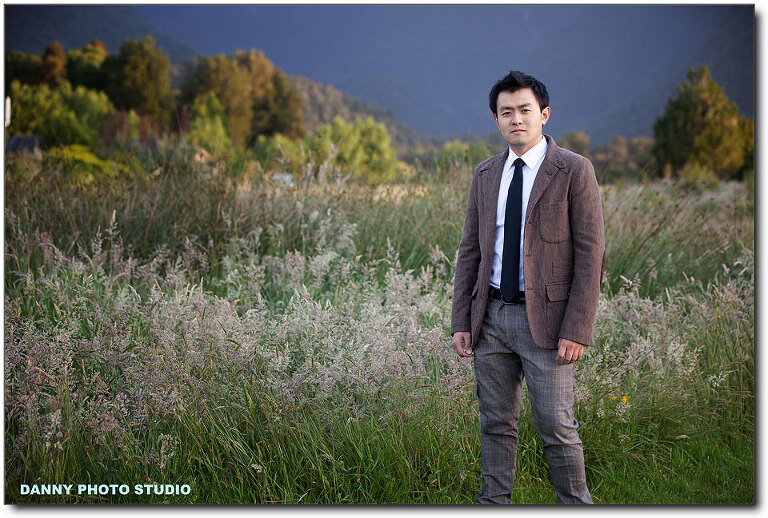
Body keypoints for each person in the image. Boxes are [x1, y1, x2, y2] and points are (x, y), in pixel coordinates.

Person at [450, 70, 605, 504]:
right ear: (496, 120)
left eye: (525, 110)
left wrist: (577, 328)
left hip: (550, 324)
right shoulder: (485, 174)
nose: (516, 119)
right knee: (495, 423)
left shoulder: (574, 170)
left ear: (544, 114)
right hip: (491, 319)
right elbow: (470, 251)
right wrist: (461, 320)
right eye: (506, 112)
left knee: (556, 426)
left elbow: (591, 255)